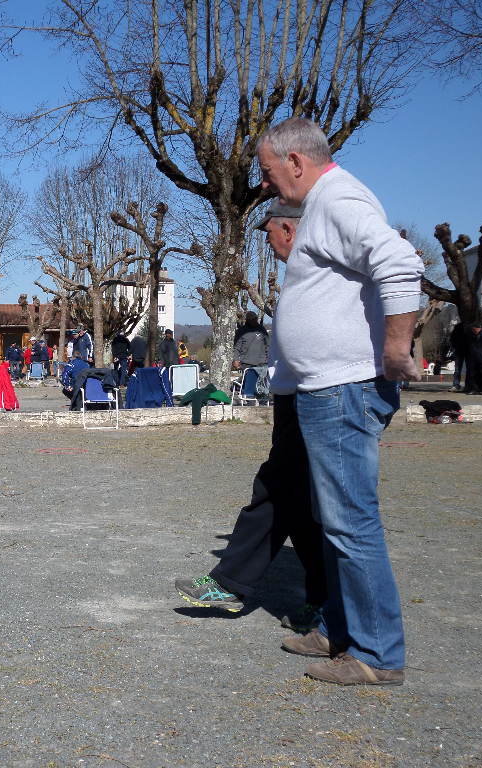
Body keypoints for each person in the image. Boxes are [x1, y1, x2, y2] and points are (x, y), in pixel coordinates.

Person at [255, 117, 423, 686]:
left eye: (268, 171)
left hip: (344, 388)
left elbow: (399, 262)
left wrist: (397, 347)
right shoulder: (325, 204)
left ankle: (377, 654)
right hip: (324, 388)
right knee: (332, 519)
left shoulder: (339, 199)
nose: (267, 183)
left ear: (295, 161)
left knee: (351, 521)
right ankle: (339, 629)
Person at [175, 201, 326, 632]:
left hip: (316, 396)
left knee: (285, 492)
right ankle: (321, 598)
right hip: (292, 395)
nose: (267, 240)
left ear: (289, 230)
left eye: (269, 231)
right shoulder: (301, 272)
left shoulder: (321, 269)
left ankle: (235, 583)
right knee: (294, 499)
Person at [234, 311, 270, 398]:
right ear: (247, 320)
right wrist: (235, 359)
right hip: (246, 362)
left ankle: (261, 396)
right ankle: (248, 395)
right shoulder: (241, 331)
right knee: (249, 380)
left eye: (255, 319)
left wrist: (269, 357)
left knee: (261, 383)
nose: (254, 321)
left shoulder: (261, 329)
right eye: (252, 319)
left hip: (262, 362)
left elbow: (268, 345)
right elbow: (236, 348)